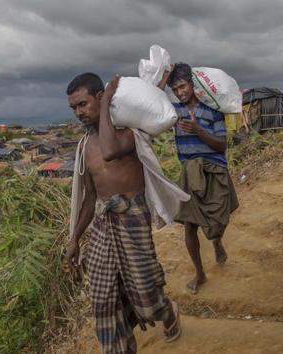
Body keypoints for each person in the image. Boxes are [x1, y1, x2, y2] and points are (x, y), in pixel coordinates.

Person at [65, 72, 183, 353]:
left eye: (83, 104)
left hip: (132, 219)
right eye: (74, 108)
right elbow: (90, 197)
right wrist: (73, 239)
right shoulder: (85, 145)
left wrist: (106, 105)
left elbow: (110, 151)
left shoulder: (131, 133)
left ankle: (168, 312)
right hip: (103, 225)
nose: (79, 112)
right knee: (105, 299)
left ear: (99, 96)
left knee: (146, 298)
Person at [159, 63, 239, 294]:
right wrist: (165, 75)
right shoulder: (174, 112)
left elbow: (221, 145)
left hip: (214, 171)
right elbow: (155, 101)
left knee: (218, 220)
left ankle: (216, 241)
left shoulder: (212, 110)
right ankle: (200, 274)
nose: (180, 92)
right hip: (189, 174)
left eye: (183, 86)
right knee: (190, 225)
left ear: (193, 84)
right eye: (175, 89)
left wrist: (198, 130)